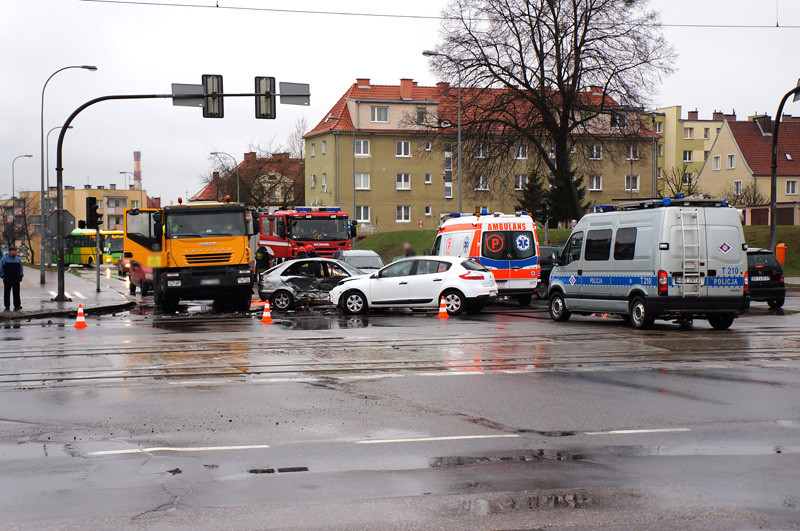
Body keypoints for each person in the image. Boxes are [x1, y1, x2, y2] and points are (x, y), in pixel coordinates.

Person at [0, 246, 24, 311]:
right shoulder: (4, 259)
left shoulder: (18, 259)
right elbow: (1, 268)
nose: (16, 252)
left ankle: (17, 305)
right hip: (7, 278)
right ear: (11, 251)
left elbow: (21, 267)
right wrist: (3, 276)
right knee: (7, 293)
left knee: (16, 292)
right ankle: (7, 306)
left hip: (16, 279)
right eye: (15, 251)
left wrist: (21, 275)